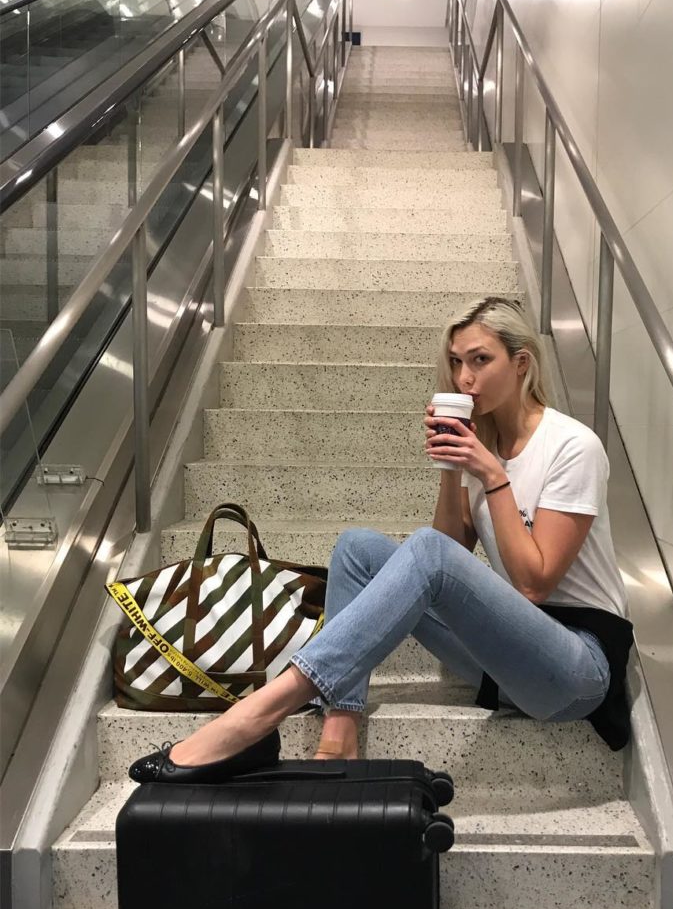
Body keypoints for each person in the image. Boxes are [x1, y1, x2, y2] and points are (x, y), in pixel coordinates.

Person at [129, 296, 634, 784]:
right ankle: (340, 724)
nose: (464, 377)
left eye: (481, 360)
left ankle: (260, 712)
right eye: (456, 361)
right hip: (500, 662)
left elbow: (532, 585)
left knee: (426, 552)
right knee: (357, 548)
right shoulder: (484, 445)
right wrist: (452, 470)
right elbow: (450, 557)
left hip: (574, 669)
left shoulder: (572, 446)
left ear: (521, 363)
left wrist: (492, 475)